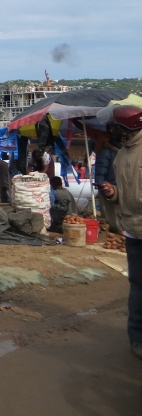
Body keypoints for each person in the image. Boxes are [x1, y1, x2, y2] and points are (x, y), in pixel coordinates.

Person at [97, 104, 142, 361]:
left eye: (114, 127)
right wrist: (114, 194)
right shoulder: (122, 155)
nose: (111, 131)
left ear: (127, 127)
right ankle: (136, 338)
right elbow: (126, 191)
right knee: (137, 286)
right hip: (133, 230)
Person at [95, 127, 122, 233]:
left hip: (109, 186)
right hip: (122, 186)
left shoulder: (105, 152)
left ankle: (116, 229)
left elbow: (101, 170)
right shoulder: (125, 151)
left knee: (111, 212)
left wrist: (100, 184)